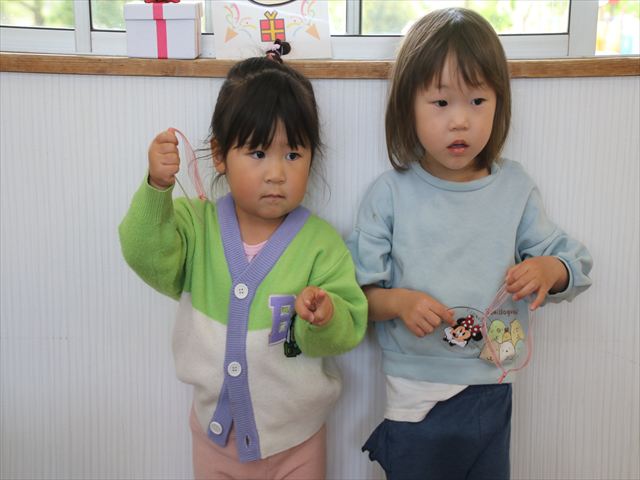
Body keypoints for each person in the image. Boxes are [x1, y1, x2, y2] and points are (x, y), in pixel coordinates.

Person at [347, 8, 592, 480]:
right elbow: (356, 296)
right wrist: (399, 302)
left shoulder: (514, 188)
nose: (460, 121)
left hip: (492, 381)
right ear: (408, 106)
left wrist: (549, 270)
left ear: (500, 104)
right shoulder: (390, 193)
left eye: (478, 100)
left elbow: (574, 263)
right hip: (415, 388)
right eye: (441, 102)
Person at [119, 43, 367, 479]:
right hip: (215, 439)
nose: (276, 173)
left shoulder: (321, 245)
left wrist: (325, 317)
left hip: (297, 441)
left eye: (293, 154)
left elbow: (347, 328)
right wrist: (157, 188)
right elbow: (145, 254)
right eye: (257, 153)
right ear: (219, 155)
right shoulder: (196, 226)